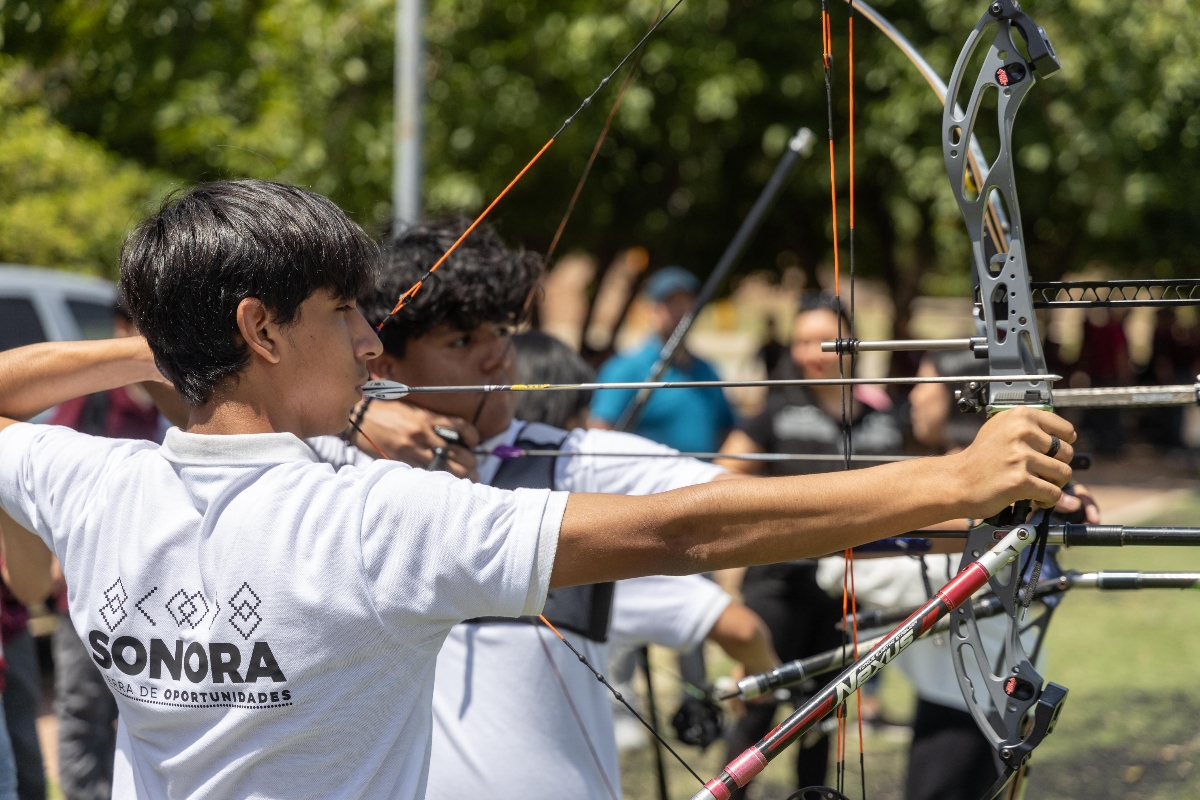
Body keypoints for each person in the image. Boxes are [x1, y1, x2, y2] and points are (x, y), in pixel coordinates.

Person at [0, 180, 1075, 799]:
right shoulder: (368, 517)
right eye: (344, 313)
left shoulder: (90, 482)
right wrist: (956, 475)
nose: (374, 343)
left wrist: (162, 348)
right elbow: (680, 528)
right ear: (262, 327)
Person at [343, 225, 778, 798]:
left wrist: (928, 491)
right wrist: (353, 414)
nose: (499, 356)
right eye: (462, 342)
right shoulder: (329, 469)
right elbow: (192, 397)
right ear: (384, 364)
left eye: (501, 331)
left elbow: (748, 509)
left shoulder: (571, 462)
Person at [715, 293, 904, 795]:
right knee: (756, 719)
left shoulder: (883, 419)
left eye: (821, 341)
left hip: (847, 594)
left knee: (822, 722)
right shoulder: (775, 413)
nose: (809, 353)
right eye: (800, 342)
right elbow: (718, 482)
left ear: (850, 344)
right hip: (778, 589)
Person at [47, 300, 167, 800]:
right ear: (122, 330)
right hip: (85, 594)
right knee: (84, 713)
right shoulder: (90, 403)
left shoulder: (177, 408)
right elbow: (42, 479)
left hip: (153, 596)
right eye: (147, 325)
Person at [589, 266, 735, 452]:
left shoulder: (707, 370)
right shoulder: (624, 369)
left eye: (687, 303)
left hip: (708, 477)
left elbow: (727, 429)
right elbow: (600, 434)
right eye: (671, 304)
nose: (681, 312)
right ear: (652, 311)